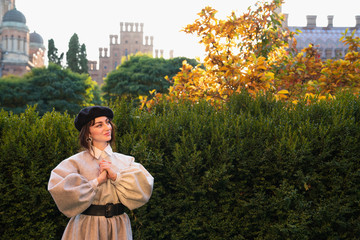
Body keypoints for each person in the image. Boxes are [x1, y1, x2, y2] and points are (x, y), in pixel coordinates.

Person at [48, 106, 154, 240]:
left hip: (118, 228)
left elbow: (143, 190)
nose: (107, 127)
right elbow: (61, 192)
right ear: (88, 133)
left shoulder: (126, 161)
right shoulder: (74, 163)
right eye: (99, 125)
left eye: (108, 122)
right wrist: (97, 182)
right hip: (86, 229)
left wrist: (116, 177)